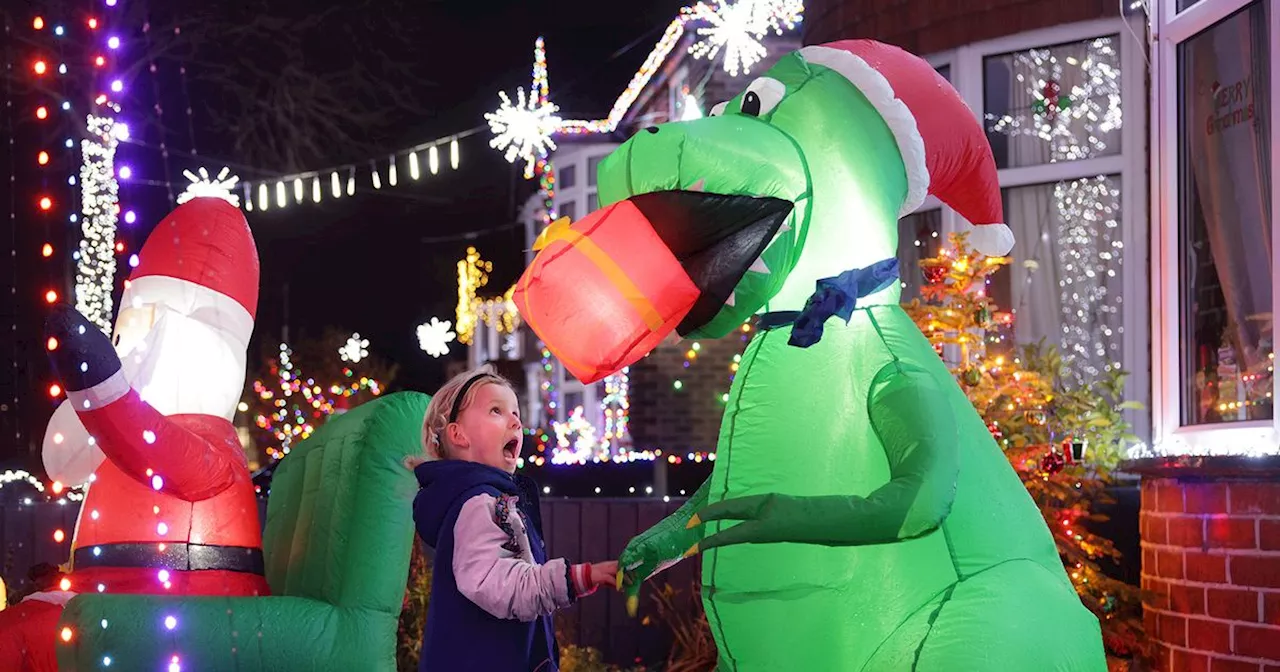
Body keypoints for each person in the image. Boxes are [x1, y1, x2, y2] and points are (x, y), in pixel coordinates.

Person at [406, 365, 617, 672]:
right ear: (458, 434)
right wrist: (577, 578)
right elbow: (499, 584)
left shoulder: (491, 500)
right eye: (496, 410)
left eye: (516, 412)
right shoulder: (478, 504)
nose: (515, 421)